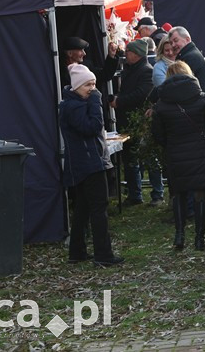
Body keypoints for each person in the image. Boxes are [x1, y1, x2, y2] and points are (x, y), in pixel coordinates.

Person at [151, 61, 205, 251]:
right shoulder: (201, 98)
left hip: (175, 152)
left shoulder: (161, 103)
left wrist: (168, 146)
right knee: (201, 195)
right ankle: (200, 238)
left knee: (178, 194)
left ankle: (179, 235)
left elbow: (157, 134)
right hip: (200, 151)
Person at [59, 64, 123, 266]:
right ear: (76, 86)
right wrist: (96, 102)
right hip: (89, 164)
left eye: (94, 84)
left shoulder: (71, 105)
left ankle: (77, 252)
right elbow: (93, 127)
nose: (92, 89)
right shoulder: (74, 107)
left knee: (83, 208)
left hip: (84, 163)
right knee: (98, 208)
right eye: (88, 85)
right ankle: (103, 254)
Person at [114, 39, 163, 206]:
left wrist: (119, 101)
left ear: (136, 54)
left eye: (128, 52)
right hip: (128, 120)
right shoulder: (132, 69)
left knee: (149, 157)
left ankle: (158, 194)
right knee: (130, 158)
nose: (126, 55)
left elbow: (141, 95)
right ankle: (135, 194)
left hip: (141, 121)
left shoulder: (145, 71)